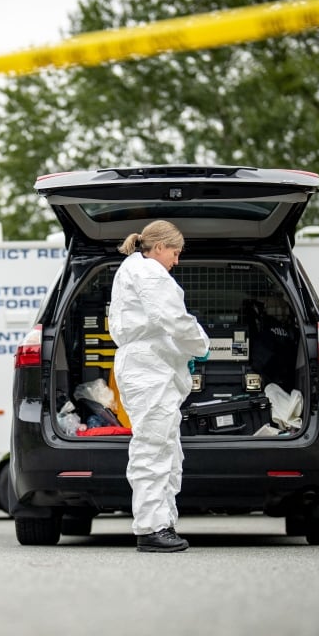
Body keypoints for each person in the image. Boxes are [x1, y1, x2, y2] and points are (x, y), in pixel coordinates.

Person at [108, 220, 209, 553]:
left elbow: (159, 326)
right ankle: (151, 528)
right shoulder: (150, 273)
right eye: (175, 253)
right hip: (148, 370)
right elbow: (174, 319)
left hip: (150, 367)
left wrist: (181, 353)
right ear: (161, 247)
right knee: (153, 447)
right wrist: (200, 344)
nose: (176, 261)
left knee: (165, 447)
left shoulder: (133, 269)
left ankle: (162, 522)